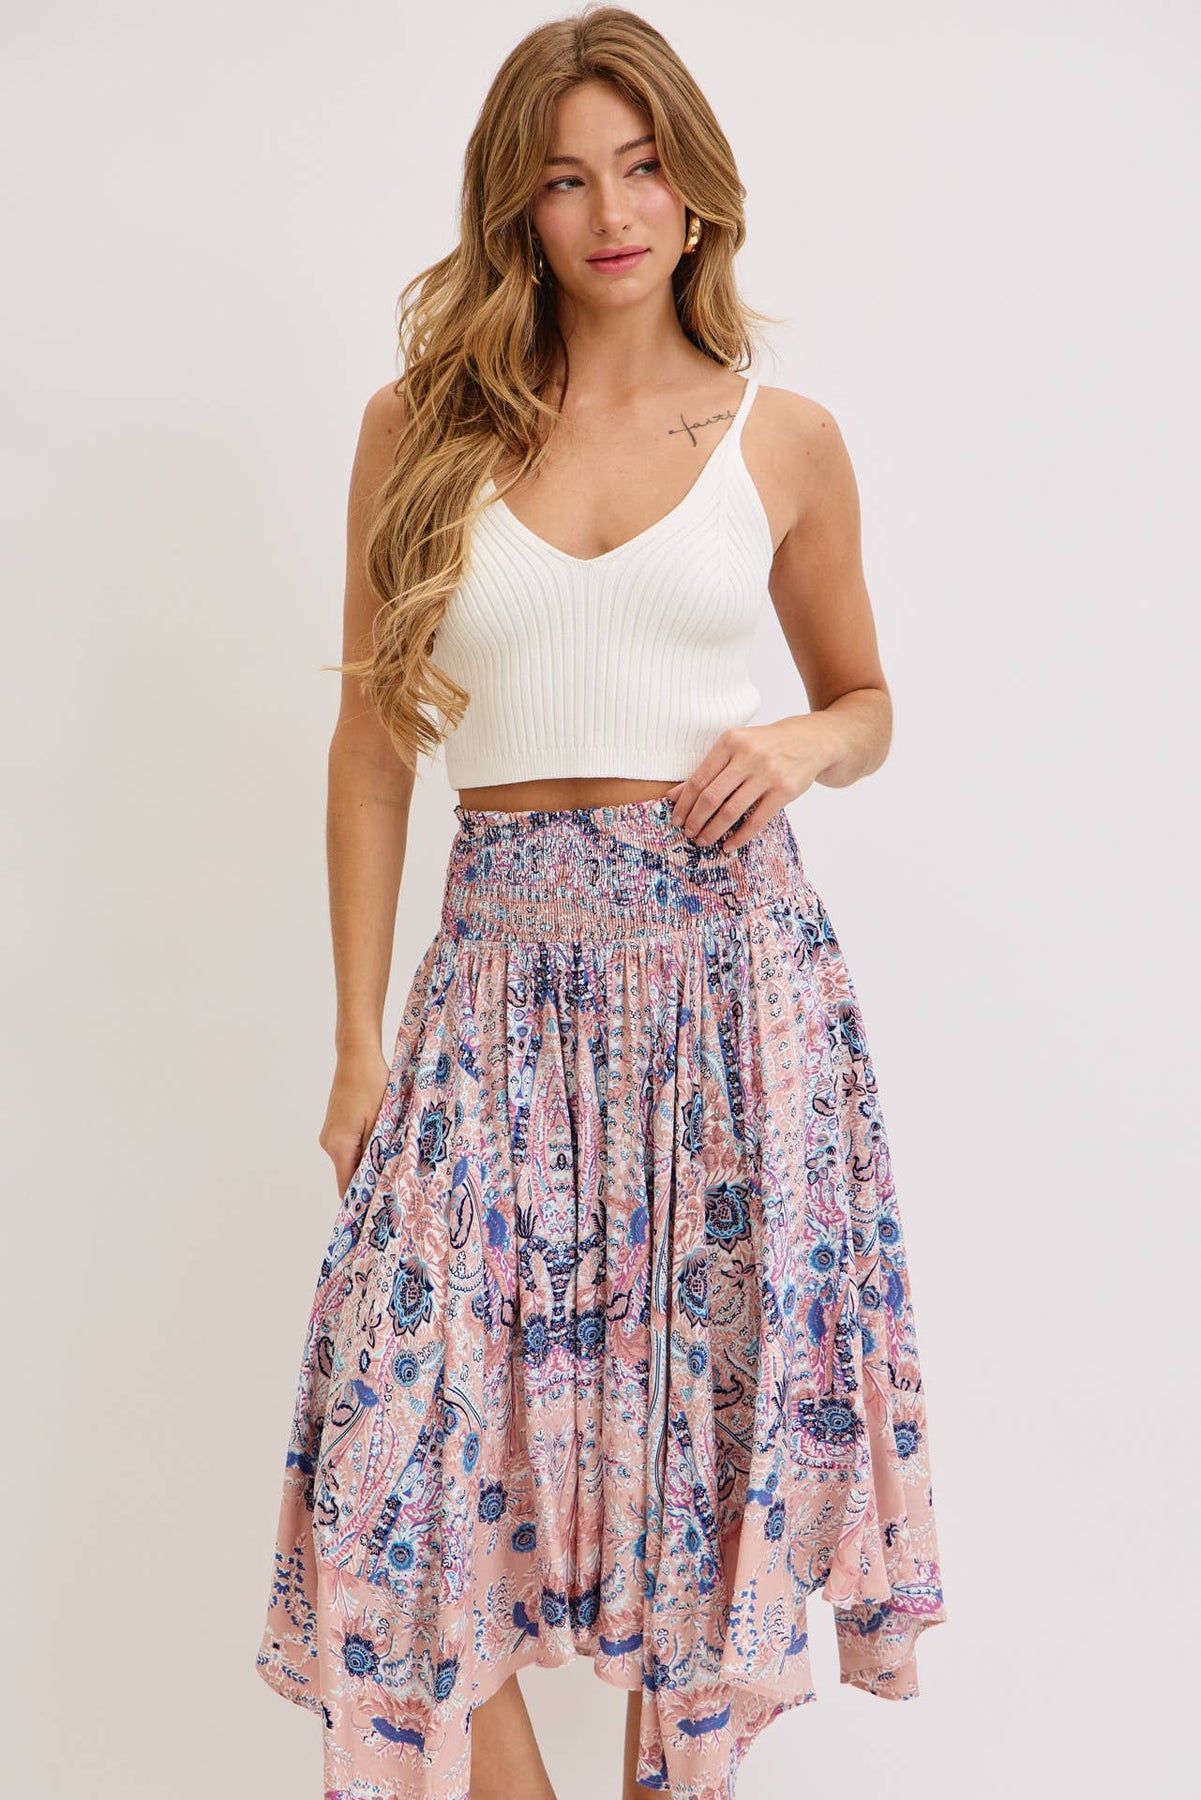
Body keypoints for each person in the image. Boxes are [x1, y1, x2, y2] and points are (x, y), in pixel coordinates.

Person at [253, 9, 948, 1799]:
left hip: (727, 986)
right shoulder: (418, 429)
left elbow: (868, 702)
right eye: (566, 180)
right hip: (493, 985)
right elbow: (373, 746)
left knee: (699, 1452)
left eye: (642, 168)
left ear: (696, 190)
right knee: (395, 1441)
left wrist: (802, 744)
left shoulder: (782, 437)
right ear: (519, 209)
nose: (613, 211)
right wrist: (355, 1046)